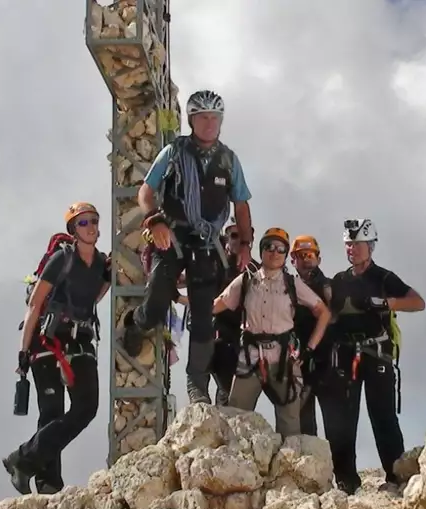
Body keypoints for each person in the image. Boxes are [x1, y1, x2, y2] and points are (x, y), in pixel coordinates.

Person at [122, 89, 254, 405]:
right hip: (171, 236)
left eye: (214, 117)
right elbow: (146, 191)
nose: (209, 124)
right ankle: (138, 322)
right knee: (156, 299)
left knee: (204, 317)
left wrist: (246, 244)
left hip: (207, 244)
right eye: (202, 117)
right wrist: (154, 220)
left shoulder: (228, 160)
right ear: (192, 120)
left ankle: (197, 386)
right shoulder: (173, 151)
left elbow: (241, 205)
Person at [3, 202, 111, 495]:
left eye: (93, 221)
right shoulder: (62, 259)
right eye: (83, 222)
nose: (90, 226)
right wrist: (23, 351)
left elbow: (92, 300)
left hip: (80, 342)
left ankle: (23, 459)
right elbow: (35, 304)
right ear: (73, 230)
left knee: (86, 408)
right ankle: (49, 483)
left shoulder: (102, 264)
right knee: (51, 411)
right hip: (47, 342)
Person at [322, 219, 425, 495]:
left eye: (357, 244)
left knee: (383, 418)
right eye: (348, 244)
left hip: (377, 355)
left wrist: (388, 302)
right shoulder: (339, 280)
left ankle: (396, 477)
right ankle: (346, 481)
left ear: (370, 246)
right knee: (343, 420)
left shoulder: (383, 277)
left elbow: (417, 302)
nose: (351, 249)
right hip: (345, 356)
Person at [212, 228, 331, 437]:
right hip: (250, 359)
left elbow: (323, 313)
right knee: (235, 421)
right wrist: (181, 299)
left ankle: (289, 468)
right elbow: (217, 304)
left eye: (280, 249)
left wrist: (310, 349)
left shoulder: (292, 284)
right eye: (269, 247)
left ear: (285, 255)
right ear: (261, 250)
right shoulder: (246, 280)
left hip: (283, 360)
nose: (274, 252)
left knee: (290, 427)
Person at [210, 221, 260, 406]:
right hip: (220, 339)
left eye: (244, 235)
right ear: (225, 239)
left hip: (250, 342)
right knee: (225, 395)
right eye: (233, 235)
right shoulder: (215, 267)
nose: (238, 241)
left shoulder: (259, 271)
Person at [290, 235, 332, 436]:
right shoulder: (287, 288)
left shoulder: (331, 288)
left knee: (336, 426)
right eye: (301, 255)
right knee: (303, 424)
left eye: (310, 254)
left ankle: (341, 468)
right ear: (293, 260)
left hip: (329, 364)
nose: (306, 259)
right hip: (300, 363)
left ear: (319, 258)